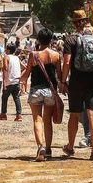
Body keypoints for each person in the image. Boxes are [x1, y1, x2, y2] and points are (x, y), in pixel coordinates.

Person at [61, 10, 93, 161]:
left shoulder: (70, 40)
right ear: (86, 21)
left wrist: (62, 81)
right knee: (92, 113)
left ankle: (70, 147)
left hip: (76, 83)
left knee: (75, 114)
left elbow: (66, 62)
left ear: (74, 22)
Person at [19, 28, 61, 161]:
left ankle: (40, 147)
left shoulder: (33, 55)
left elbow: (27, 73)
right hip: (50, 91)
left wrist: (21, 79)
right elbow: (59, 75)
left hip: (36, 90)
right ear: (51, 40)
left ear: (38, 40)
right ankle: (48, 149)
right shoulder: (56, 55)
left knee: (37, 119)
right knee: (47, 120)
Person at [0, 44, 22, 121]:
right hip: (16, 81)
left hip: (9, 81)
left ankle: (3, 114)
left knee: (4, 98)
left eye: (6, 49)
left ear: (8, 50)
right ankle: (19, 115)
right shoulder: (17, 58)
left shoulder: (6, 57)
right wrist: (20, 76)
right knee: (16, 98)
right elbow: (24, 67)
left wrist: (4, 82)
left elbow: (5, 69)